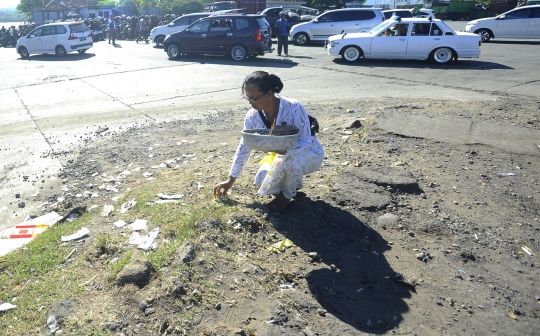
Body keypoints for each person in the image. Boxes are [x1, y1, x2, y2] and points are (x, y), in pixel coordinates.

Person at [214, 71, 324, 211]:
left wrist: (286, 151)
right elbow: (244, 146)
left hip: (310, 154)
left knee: (290, 161)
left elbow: (307, 141)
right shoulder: (252, 116)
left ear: (270, 94)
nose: (251, 103)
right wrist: (231, 180)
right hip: (280, 157)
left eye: (254, 98)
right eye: (248, 98)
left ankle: (286, 196)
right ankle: (291, 183)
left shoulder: (294, 107)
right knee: (262, 180)